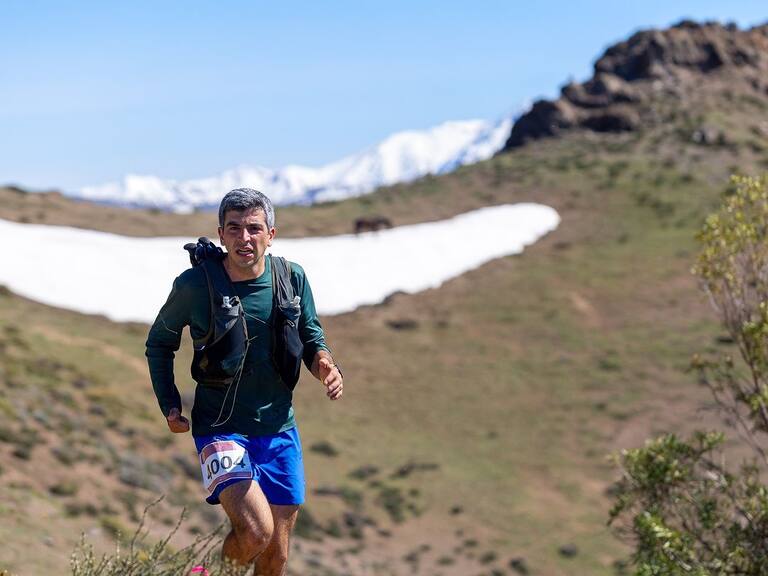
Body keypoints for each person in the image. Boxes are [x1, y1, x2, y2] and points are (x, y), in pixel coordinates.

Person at [145, 188, 343, 575]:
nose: (244, 238)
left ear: (272, 234)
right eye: (234, 228)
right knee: (254, 531)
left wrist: (324, 364)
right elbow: (159, 344)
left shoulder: (291, 277)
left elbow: (310, 336)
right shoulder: (194, 286)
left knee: (276, 556)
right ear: (220, 234)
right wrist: (169, 403)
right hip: (219, 427)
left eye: (254, 228)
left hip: (279, 428)